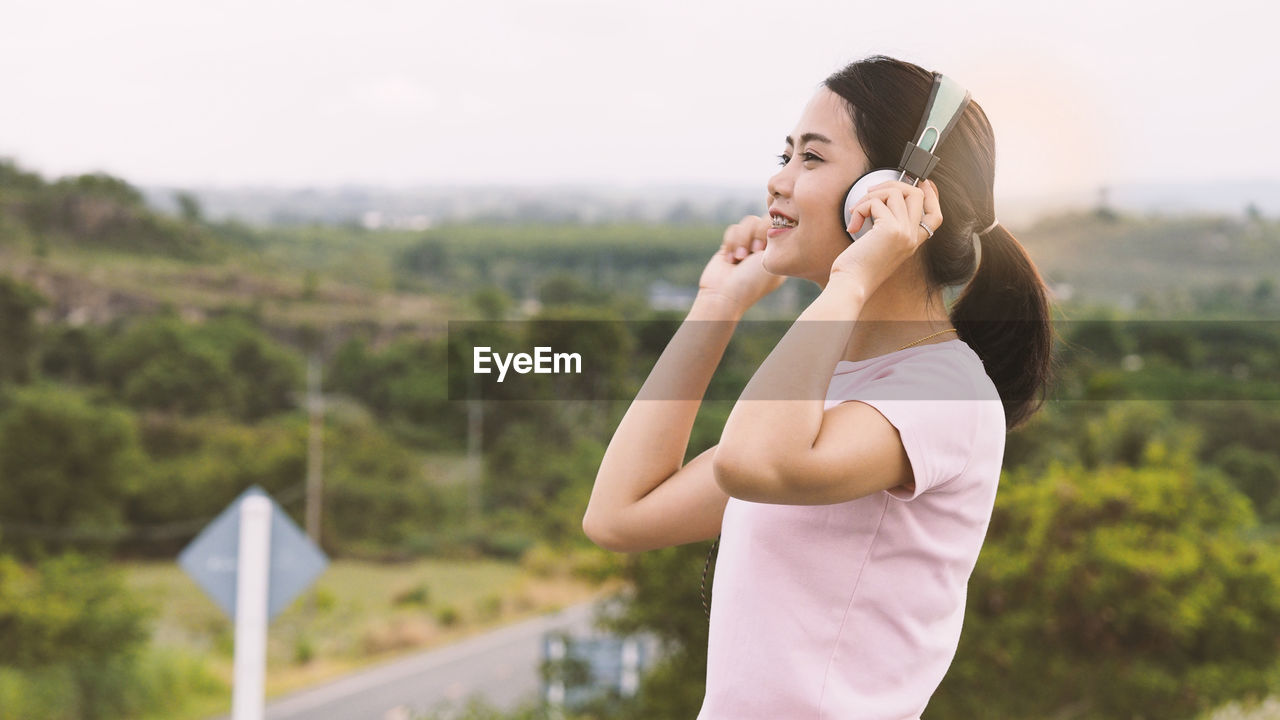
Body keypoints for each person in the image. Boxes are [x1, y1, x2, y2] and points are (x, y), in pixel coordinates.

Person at [582, 54, 1055, 719]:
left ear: (890, 191)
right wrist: (717, 306)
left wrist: (853, 280)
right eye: (785, 154)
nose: (777, 181)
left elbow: (756, 463)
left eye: (811, 158)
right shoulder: (829, 393)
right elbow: (618, 516)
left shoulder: (946, 393)